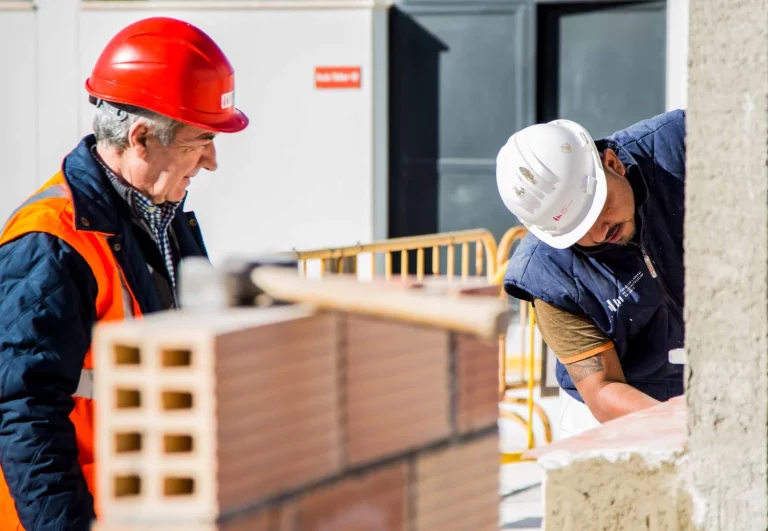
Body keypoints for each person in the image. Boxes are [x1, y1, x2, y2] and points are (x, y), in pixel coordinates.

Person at [0, 17, 248, 529]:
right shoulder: (51, 241)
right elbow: (25, 414)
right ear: (140, 138)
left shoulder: (161, 217)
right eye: (199, 139)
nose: (211, 160)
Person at [496, 110, 685, 437]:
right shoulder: (549, 276)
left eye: (599, 208)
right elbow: (603, 391)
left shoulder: (679, 146)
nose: (599, 233)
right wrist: (685, 424)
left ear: (613, 164)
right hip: (632, 409)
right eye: (578, 229)